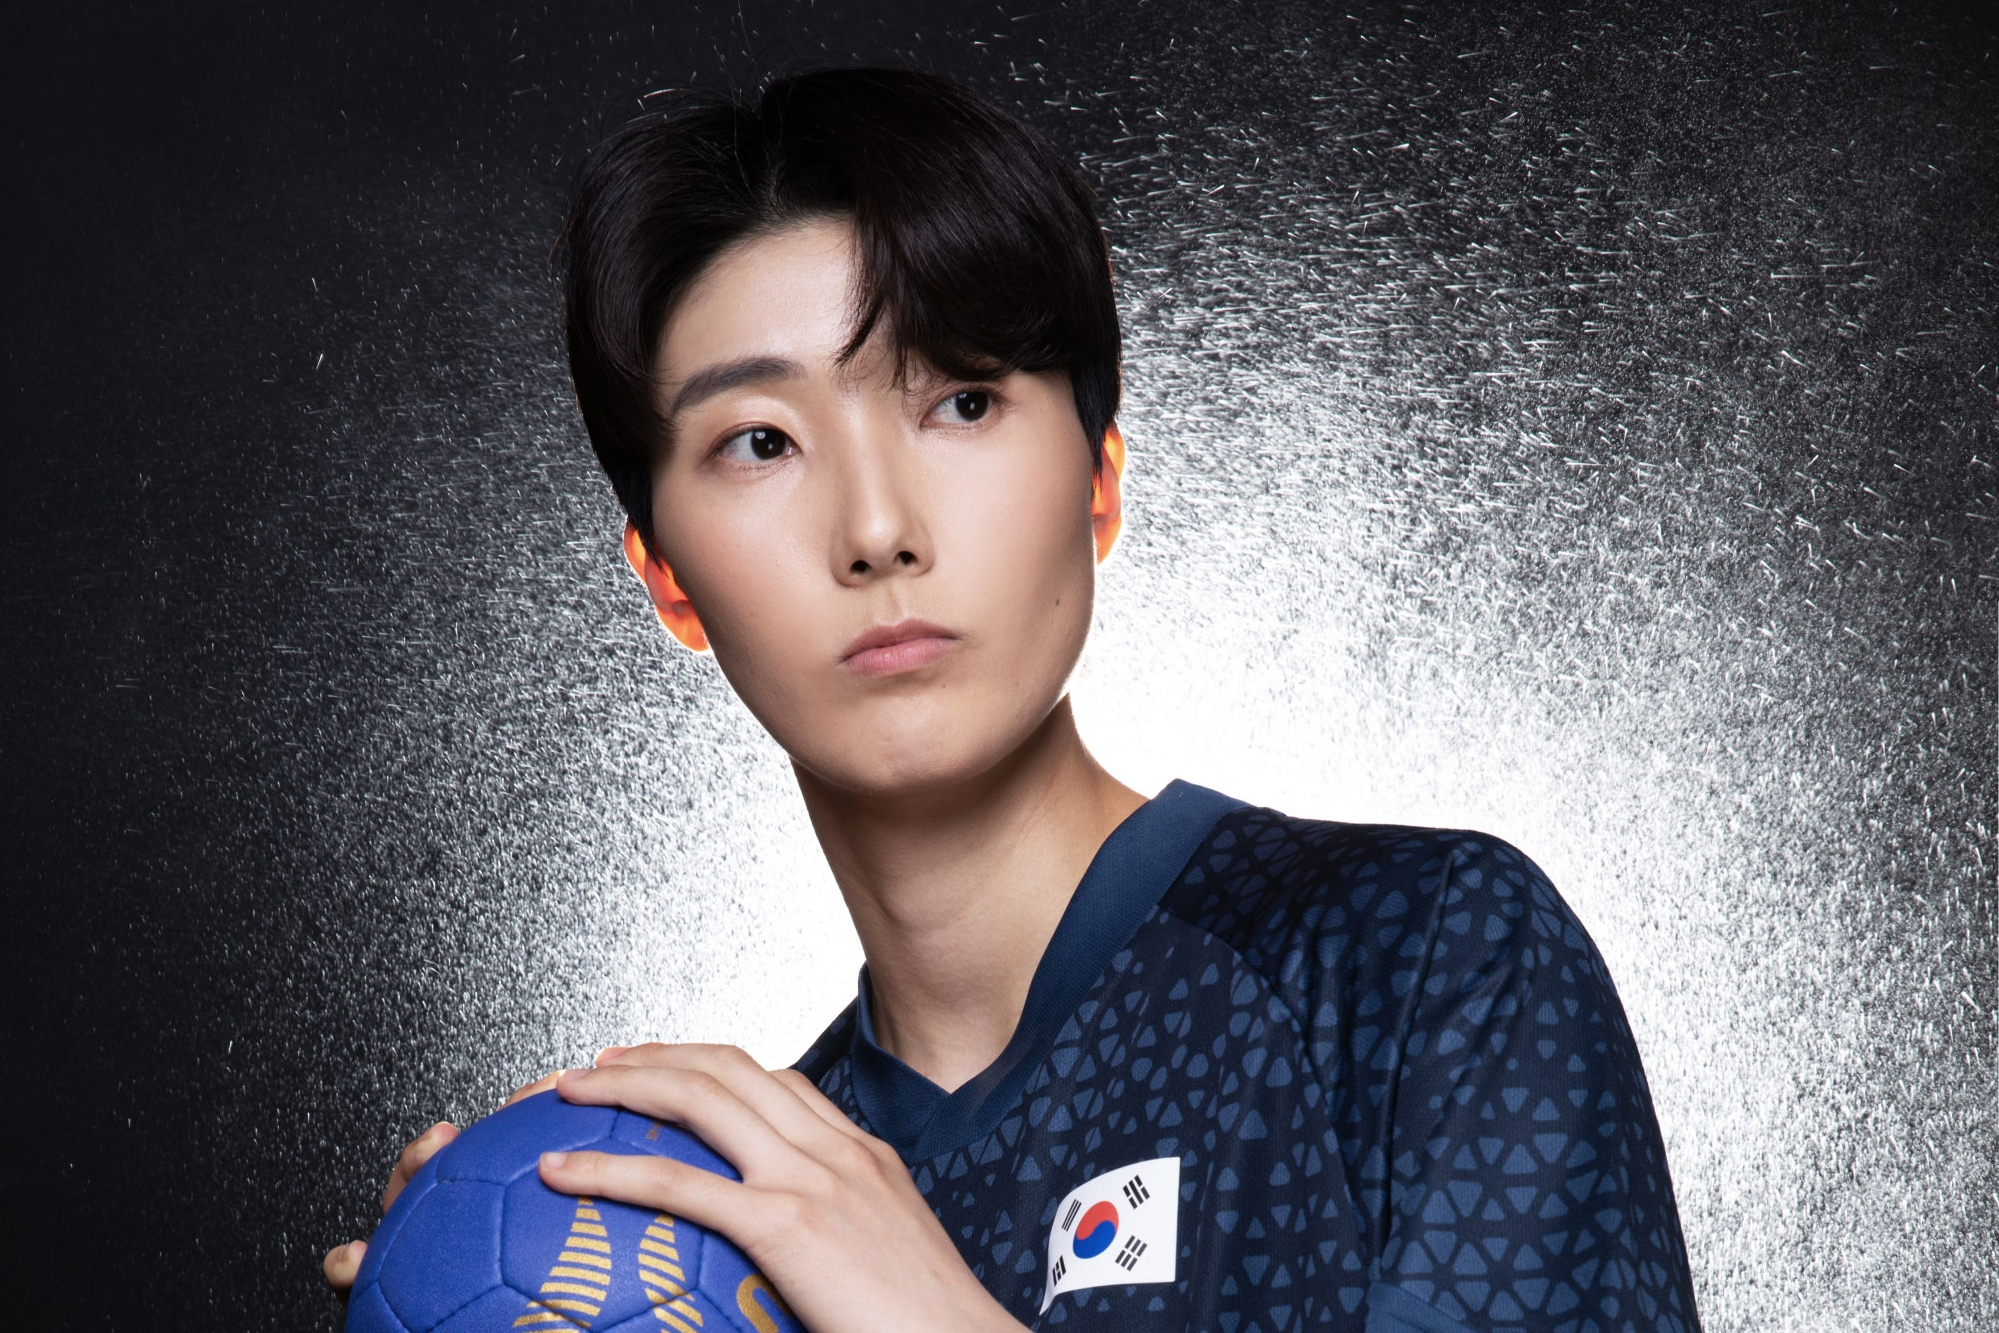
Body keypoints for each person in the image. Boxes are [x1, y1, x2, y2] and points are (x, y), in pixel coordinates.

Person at [324, 67, 1700, 1332]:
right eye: (760, 441)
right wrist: (478, 1283)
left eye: (962, 402)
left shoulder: (1429, 959)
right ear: (669, 579)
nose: (877, 529)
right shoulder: (727, 1217)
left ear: (1099, 481)